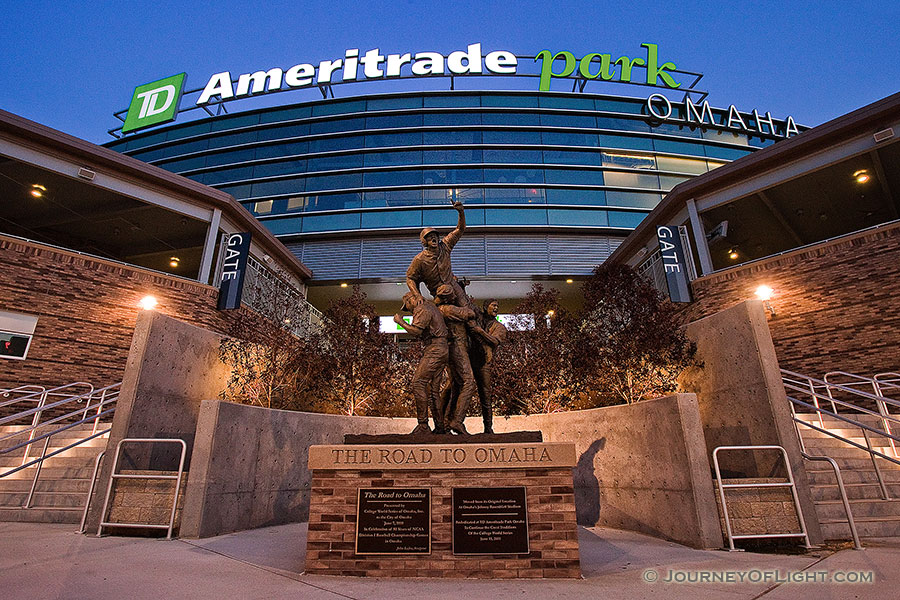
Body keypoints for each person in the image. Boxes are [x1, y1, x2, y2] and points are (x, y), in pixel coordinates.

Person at [393, 291, 448, 435]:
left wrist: (400, 322)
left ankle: (423, 425)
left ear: (413, 300)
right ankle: (440, 426)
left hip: (435, 349)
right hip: (441, 349)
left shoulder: (423, 309)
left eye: (408, 305)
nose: (409, 309)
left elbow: (416, 331)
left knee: (418, 382)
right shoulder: (430, 307)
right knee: (434, 391)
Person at [433, 284, 476, 435]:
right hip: (457, 347)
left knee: (454, 386)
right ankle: (457, 420)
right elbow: (470, 313)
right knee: (469, 382)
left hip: (453, 348)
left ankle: (444, 423)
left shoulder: (441, 309)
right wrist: (460, 294)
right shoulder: (448, 309)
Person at [406, 201, 467, 307]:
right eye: (429, 237)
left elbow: (460, 229)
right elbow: (410, 278)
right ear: (424, 241)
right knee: (445, 295)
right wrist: (417, 295)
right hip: (439, 293)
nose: (433, 238)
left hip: (452, 285)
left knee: (467, 309)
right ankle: (435, 305)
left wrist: (461, 212)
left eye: (435, 236)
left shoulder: (445, 246)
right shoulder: (419, 259)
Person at [469, 299, 508, 434]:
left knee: (485, 394)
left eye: (498, 306)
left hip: (484, 362)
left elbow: (494, 341)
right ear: (485, 307)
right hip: (468, 359)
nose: (496, 308)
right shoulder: (478, 317)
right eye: (493, 305)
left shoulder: (499, 327)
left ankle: (488, 427)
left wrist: (480, 332)